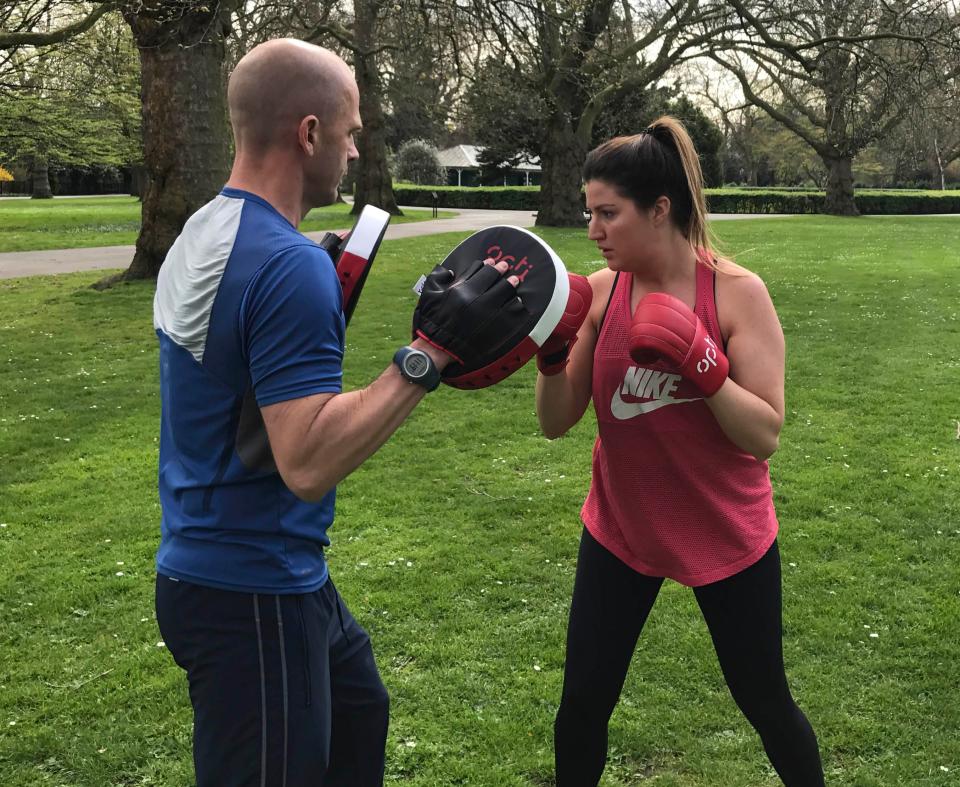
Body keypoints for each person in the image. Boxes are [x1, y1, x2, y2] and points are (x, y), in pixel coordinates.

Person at [152, 39, 518, 787]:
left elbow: (224, 371)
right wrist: (430, 352)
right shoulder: (288, 267)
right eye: (350, 132)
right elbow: (308, 460)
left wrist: (325, 294)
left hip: (228, 566)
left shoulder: (205, 231)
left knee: (359, 710)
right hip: (251, 586)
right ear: (309, 132)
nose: (354, 151)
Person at [536, 117, 825, 786]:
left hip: (725, 531)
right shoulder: (601, 295)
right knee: (581, 704)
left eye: (608, 213)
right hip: (622, 528)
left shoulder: (735, 294)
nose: (593, 229)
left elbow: (765, 434)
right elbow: (558, 423)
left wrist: (706, 366)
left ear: (659, 209)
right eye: (590, 213)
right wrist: (553, 358)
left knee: (765, 700)